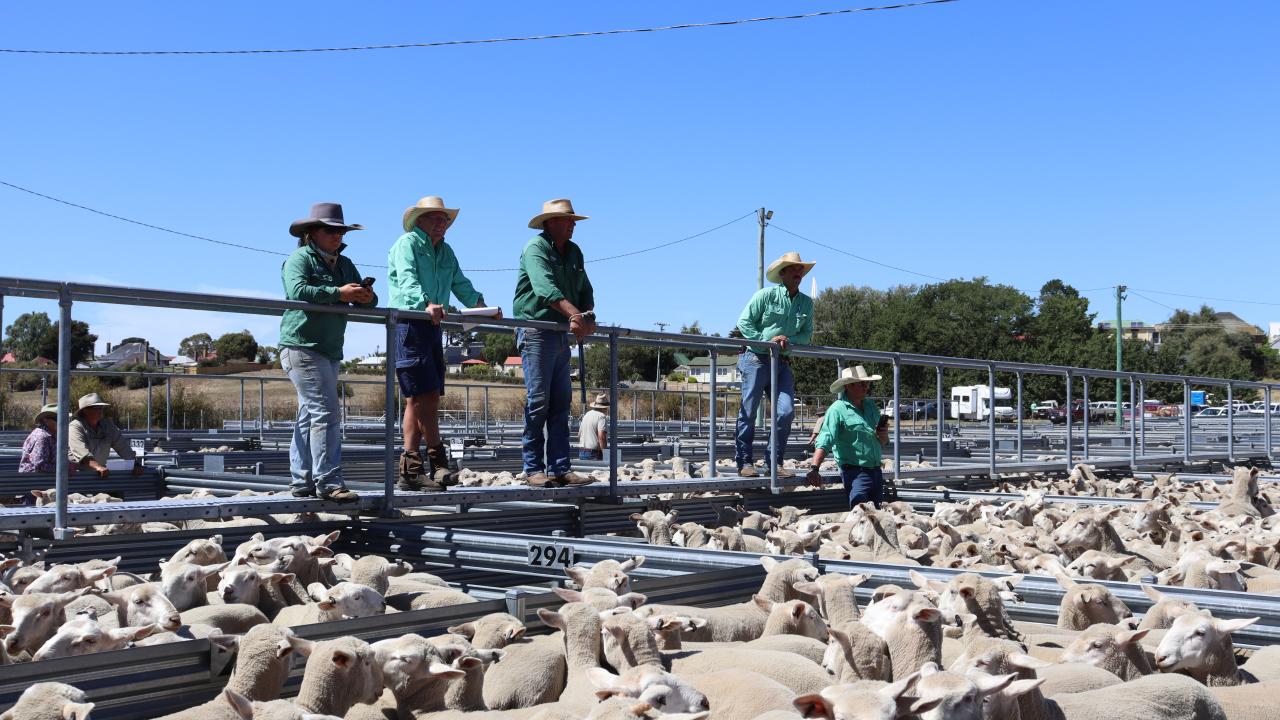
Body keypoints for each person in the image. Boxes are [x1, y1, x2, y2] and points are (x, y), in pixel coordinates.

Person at [388, 196, 498, 490]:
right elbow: (407, 280)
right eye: (436, 218)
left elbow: (459, 282)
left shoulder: (445, 251)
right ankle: (435, 464)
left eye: (445, 220)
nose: (442, 224)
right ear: (419, 221)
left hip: (432, 326)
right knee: (424, 396)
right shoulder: (407, 244)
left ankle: (412, 468)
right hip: (411, 324)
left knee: (423, 397)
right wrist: (425, 303)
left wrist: (479, 304)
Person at [279, 202, 378, 503]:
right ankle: (328, 481)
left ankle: (303, 479)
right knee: (325, 411)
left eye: (340, 231)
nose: (337, 236)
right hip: (302, 345)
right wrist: (339, 294)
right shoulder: (299, 259)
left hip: (327, 348)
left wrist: (365, 296)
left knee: (310, 414)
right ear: (312, 233)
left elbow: (370, 303)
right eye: (330, 230)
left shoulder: (344, 264)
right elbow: (297, 291)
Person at [513, 198, 597, 488]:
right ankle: (533, 468)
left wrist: (586, 314)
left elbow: (585, 288)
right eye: (567, 220)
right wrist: (577, 316)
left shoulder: (573, 252)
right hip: (536, 329)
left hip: (559, 331)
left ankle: (560, 467)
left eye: (572, 220)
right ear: (550, 223)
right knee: (539, 402)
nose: (572, 225)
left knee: (560, 402)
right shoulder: (536, 248)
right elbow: (544, 288)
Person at [733, 251, 815, 479]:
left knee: (786, 411)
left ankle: (774, 463)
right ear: (782, 273)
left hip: (781, 361)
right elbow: (744, 322)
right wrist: (766, 341)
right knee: (749, 411)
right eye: (794, 269)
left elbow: (807, 334)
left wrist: (787, 342)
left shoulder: (806, 303)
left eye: (801, 269)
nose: (798, 273)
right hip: (755, 358)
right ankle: (745, 462)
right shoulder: (766, 295)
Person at [804, 366, 890, 508]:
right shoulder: (837, 409)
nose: (866, 387)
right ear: (849, 386)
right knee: (860, 514)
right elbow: (826, 439)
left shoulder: (870, 406)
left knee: (877, 516)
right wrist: (814, 468)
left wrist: (883, 436)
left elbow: (882, 441)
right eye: (862, 383)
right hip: (855, 473)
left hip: (876, 471)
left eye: (867, 383)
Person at [68, 393, 143, 478]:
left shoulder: (108, 425)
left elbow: (122, 447)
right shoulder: (75, 427)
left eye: (101, 407)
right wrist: (97, 467)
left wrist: (135, 464)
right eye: (96, 408)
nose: (100, 410)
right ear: (85, 410)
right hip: (77, 476)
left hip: (100, 473)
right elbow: (82, 454)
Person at [18, 404, 60, 474]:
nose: (62, 422)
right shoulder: (43, 437)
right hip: (34, 481)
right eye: (57, 419)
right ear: (46, 420)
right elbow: (39, 466)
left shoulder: (49, 435)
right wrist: (63, 467)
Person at [578, 393, 610, 461]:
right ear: (605, 408)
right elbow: (602, 437)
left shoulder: (587, 415)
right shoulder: (601, 416)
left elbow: (579, 435)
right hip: (594, 453)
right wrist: (605, 454)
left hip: (582, 451)